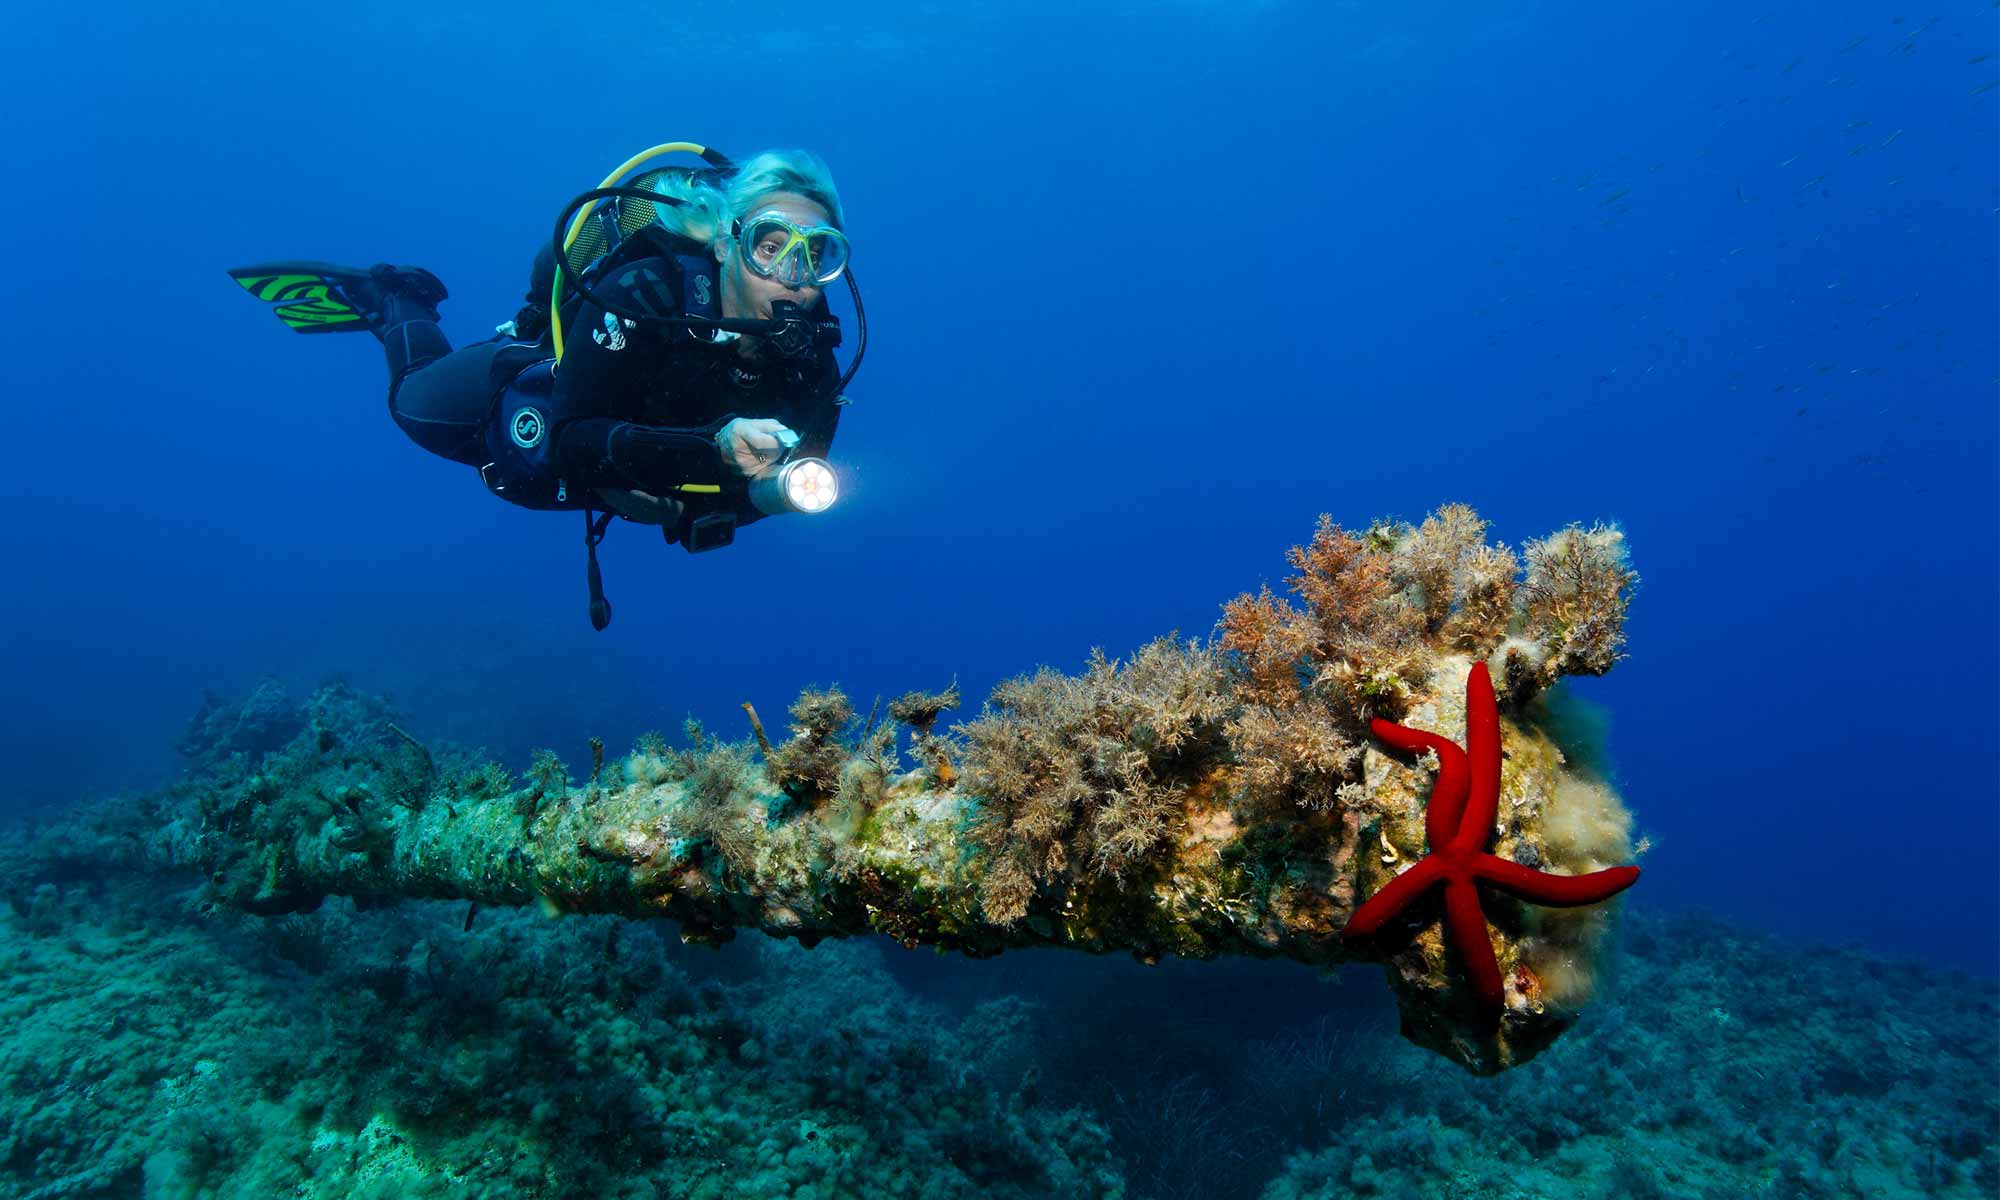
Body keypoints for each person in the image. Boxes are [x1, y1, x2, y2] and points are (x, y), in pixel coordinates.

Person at [229, 144, 862, 628]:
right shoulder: (643, 294)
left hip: (628, 475)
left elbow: (792, 482)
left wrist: (723, 506)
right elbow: (570, 437)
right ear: (727, 245)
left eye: (818, 255)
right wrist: (711, 451)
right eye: (770, 245)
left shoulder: (813, 361)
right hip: (531, 401)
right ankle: (398, 299)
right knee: (410, 404)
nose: (793, 276)